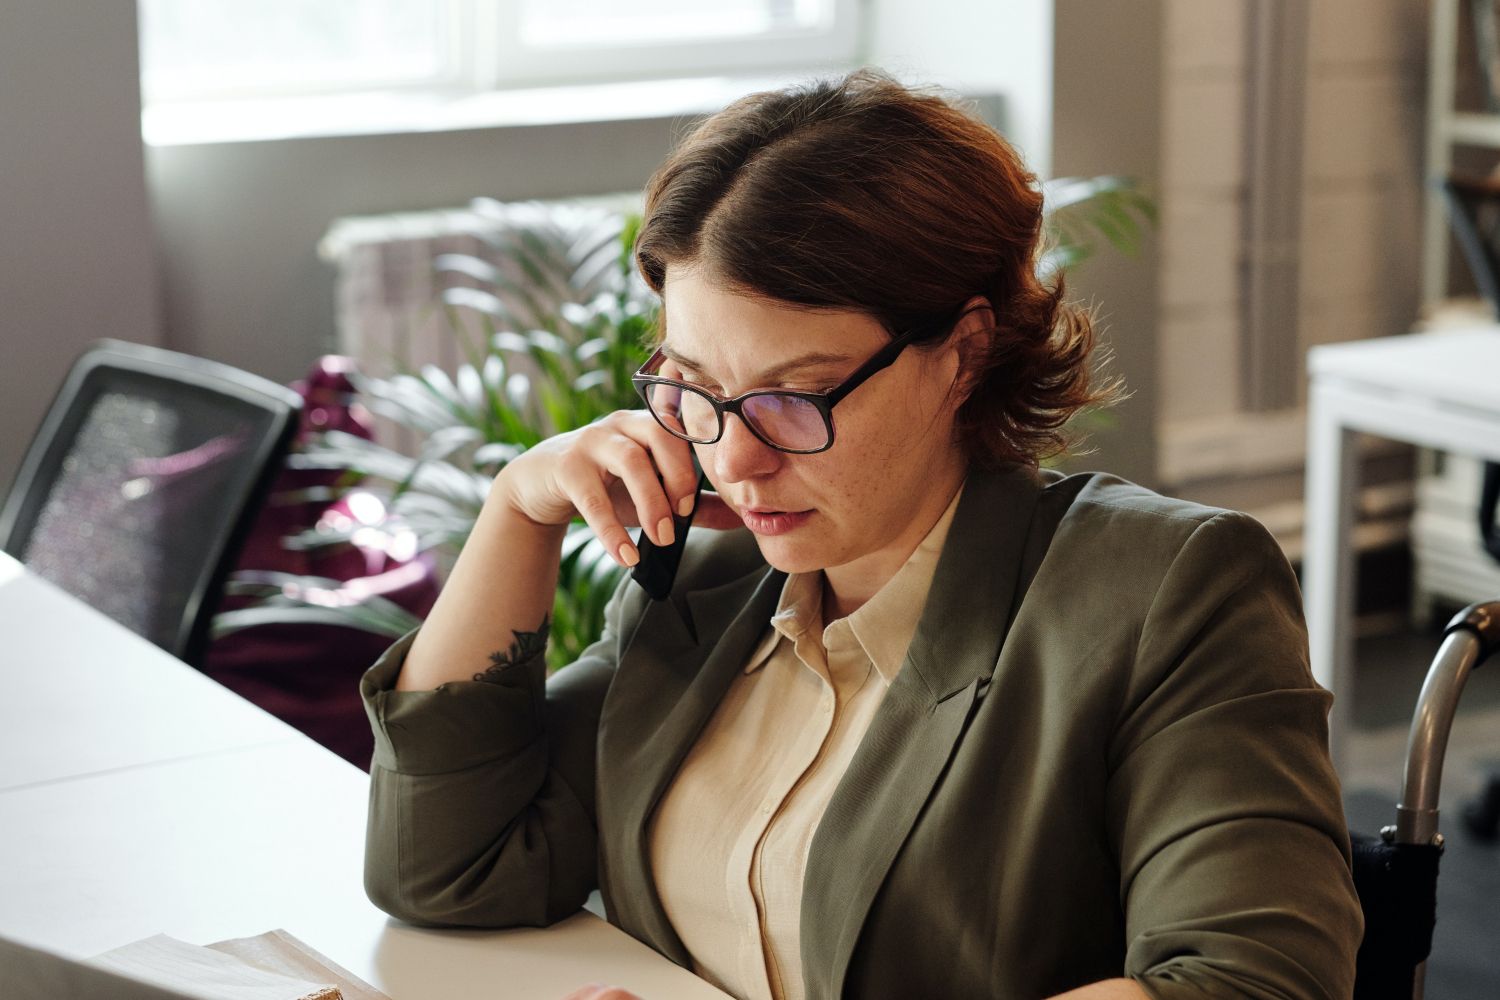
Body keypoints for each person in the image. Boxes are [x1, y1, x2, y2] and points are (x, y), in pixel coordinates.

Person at [360, 70, 1363, 999]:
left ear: (963, 352)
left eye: (794, 400)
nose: (735, 462)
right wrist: (517, 514)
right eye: (694, 389)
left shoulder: (1162, 589)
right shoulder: (713, 573)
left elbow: (1255, 979)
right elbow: (451, 866)